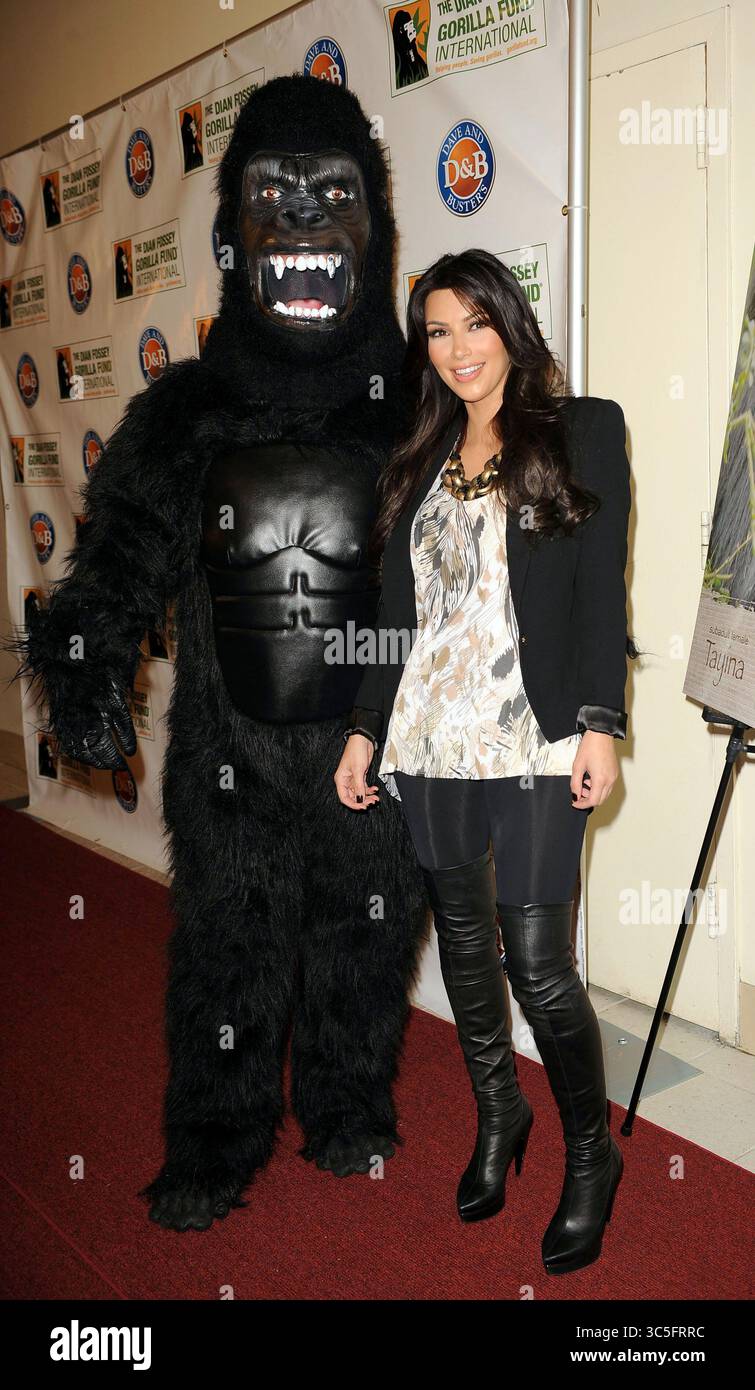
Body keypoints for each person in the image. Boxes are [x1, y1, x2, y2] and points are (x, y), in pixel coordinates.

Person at [334, 248, 636, 1276]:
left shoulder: (580, 427)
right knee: (463, 946)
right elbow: (392, 612)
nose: (457, 348)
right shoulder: (414, 455)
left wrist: (598, 718)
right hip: (432, 736)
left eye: (473, 323)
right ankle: (498, 1115)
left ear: (508, 323)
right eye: (436, 329)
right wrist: (365, 726)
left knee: (539, 967)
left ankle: (590, 1156)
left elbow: (599, 587)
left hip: (538, 732)